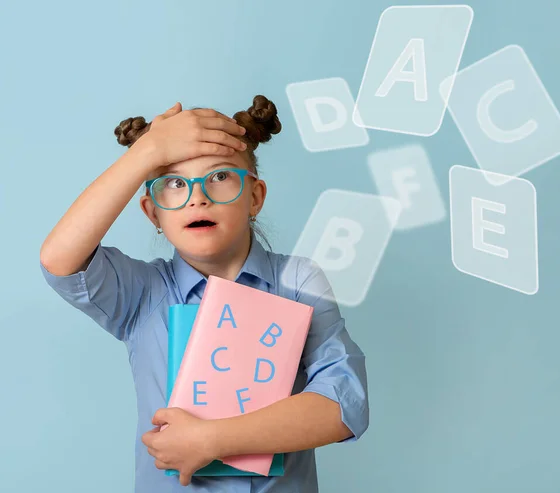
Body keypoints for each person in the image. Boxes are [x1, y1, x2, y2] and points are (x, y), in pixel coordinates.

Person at [39, 95, 369, 492]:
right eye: (175, 183)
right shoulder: (142, 293)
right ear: (152, 213)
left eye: (219, 177)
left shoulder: (298, 281)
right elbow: (60, 259)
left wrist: (211, 440)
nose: (198, 196)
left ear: (255, 198)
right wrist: (148, 152)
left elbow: (343, 405)